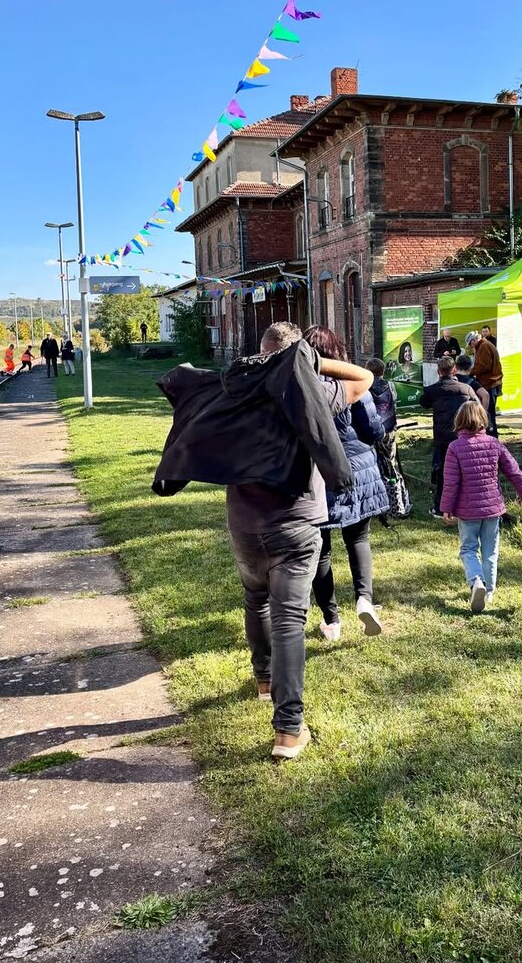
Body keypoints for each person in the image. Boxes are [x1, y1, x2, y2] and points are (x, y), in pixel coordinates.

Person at [154, 321, 372, 761]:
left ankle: (264, 680)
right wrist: (314, 362)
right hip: (295, 522)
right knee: (290, 619)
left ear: (261, 350)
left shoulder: (231, 389)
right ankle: (288, 730)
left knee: (255, 600)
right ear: (298, 357)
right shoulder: (312, 391)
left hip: (244, 522)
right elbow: (364, 378)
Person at [304, 327, 389, 643]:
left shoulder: (301, 389)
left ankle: (331, 620)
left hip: (319, 473)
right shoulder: (355, 383)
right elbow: (372, 431)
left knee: (321, 549)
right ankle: (364, 599)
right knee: (359, 538)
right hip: (359, 471)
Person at [441, 401, 522, 611]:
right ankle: (489, 591)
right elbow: (513, 471)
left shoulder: (454, 448)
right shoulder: (494, 443)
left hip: (467, 509)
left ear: (459, 420)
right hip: (492, 508)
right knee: (491, 550)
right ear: (483, 419)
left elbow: (451, 482)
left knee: (469, 548)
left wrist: (447, 506)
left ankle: (476, 582)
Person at [420, 356, 477, 517]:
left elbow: (423, 402)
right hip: (463, 436)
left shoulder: (433, 390)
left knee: (443, 473)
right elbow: (477, 406)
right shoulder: (466, 389)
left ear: (438, 372)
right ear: (454, 370)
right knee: (466, 470)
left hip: (442, 437)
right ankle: (466, 505)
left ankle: (440, 507)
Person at [466, 330, 503, 437]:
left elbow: (484, 366)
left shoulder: (484, 346)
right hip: (491, 382)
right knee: (489, 412)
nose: (471, 346)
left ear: (474, 340)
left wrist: (471, 372)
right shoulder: (485, 345)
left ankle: (492, 436)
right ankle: (491, 435)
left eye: (470, 343)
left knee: (488, 413)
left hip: (490, 383)